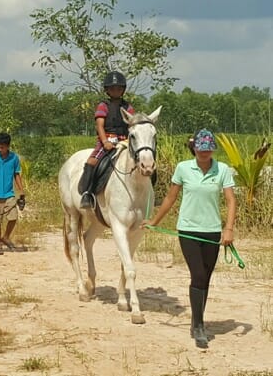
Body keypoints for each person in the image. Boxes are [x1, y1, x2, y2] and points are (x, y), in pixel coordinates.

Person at [143, 129, 236, 349]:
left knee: (205, 279)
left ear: (213, 149)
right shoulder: (183, 168)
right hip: (188, 230)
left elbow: (231, 200)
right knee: (198, 274)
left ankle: (196, 319)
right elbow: (171, 197)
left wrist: (228, 228)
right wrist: (154, 221)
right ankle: (200, 326)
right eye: (200, 149)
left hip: (212, 231)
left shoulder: (222, 170)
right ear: (194, 148)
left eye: (208, 149)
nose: (204, 153)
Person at [79, 71, 135, 208]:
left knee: (142, 161)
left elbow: (132, 124)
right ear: (107, 90)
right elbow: (100, 125)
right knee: (92, 162)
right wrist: (105, 142)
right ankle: (87, 193)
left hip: (125, 140)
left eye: (119, 88)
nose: (116, 91)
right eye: (112, 88)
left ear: (123, 90)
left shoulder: (128, 107)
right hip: (108, 139)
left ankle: (149, 192)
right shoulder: (103, 106)